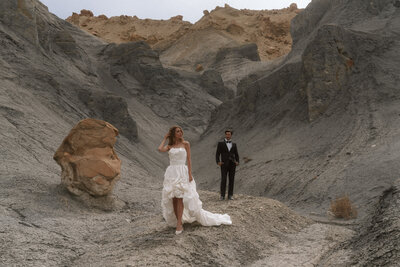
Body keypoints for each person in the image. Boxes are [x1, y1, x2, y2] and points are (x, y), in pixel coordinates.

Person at [158, 126, 232, 234]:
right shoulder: (170, 146)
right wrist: (165, 138)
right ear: (173, 134)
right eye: (178, 131)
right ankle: (178, 220)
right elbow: (160, 149)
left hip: (182, 171)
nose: (180, 133)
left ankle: (179, 224)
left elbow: (189, 160)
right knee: (173, 197)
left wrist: (189, 174)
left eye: (181, 131)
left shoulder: (186, 144)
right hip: (171, 173)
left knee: (180, 197)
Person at [215, 129, 239, 200]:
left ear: (231, 135)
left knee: (231, 179)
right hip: (224, 164)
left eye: (229, 134)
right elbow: (217, 153)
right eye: (227, 134)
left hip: (232, 164)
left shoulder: (234, 144)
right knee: (224, 179)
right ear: (225, 135)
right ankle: (222, 195)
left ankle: (230, 195)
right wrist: (218, 162)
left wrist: (237, 161)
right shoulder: (220, 144)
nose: (228, 135)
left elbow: (236, 154)